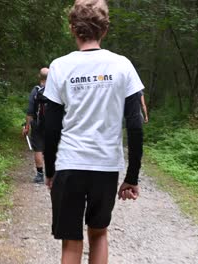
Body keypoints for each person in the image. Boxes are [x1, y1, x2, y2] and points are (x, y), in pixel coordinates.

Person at [43, 0, 144, 263]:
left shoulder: (59, 67)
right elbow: (135, 125)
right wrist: (131, 176)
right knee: (99, 234)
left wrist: (51, 170)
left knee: (71, 243)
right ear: (105, 30)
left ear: (72, 29)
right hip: (106, 167)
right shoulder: (123, 65)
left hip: (69, 165)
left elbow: (51, 126)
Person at [23, 67, 49, 183]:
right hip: (53, 125)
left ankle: (39, 175)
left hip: (38, 124)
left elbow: (30, 112)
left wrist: (27, 127)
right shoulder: (57, 90)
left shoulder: (36, 90)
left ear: (39, 77)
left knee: (38, 149)